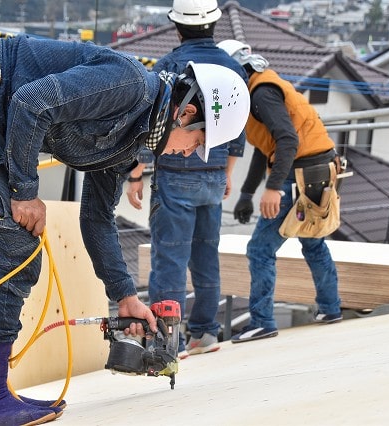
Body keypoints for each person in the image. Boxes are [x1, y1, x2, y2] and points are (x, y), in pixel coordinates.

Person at [0, 33, 249, 426]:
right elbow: (31, 102)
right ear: (188, 112)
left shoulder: (133, 138)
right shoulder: (131, 86)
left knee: (15, 254)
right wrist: (25, 192)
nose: (191, 153)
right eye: (199, 142)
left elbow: (96, 218)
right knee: (13, 255)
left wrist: (124, 296)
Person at [125, 0, 248, 359]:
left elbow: (153, 123)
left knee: (170, 259)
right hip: (214, 174)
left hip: (177, 174)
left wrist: (135, 174)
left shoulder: (171, 66)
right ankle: (206, 331)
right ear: (213, 25)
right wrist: (227, 175)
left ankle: (167, 341)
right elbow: (237, 130)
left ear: (177, 27)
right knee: (206, 255)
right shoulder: (231, 67)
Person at [216, 39, 343, 344]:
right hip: (319, 170)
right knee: (313, 243)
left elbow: (287, 140)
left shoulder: (261, 93)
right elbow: (266, 147)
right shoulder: (260, 89)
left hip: (298, 175)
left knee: (260, 249)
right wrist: (247, 193)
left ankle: (262, 321)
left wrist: (272, 190)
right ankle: (331, 308)